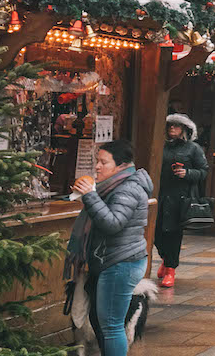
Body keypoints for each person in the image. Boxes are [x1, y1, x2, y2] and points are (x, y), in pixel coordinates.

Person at [64, 140, 152, 356]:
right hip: (110, 260)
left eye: (104, 162)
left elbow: (112, 223)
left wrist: (90, 196)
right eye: (97, 161)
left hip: (120, 263)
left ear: (121, 166)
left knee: (112, 327)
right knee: (102, 322)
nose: (97, 167)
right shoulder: (113, 186)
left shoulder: (128, 188)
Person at [154, 113, 208, 288]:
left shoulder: (193, 149)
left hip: (180, 197)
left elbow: (204, 171)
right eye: (170, 126)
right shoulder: (161, 145)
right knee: (156, 234)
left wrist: (188, 174)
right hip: (160, 194)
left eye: (176, 126)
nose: (172, 129)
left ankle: (171, 269)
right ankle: (165, 259)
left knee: (173, 234)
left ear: (184, 129)